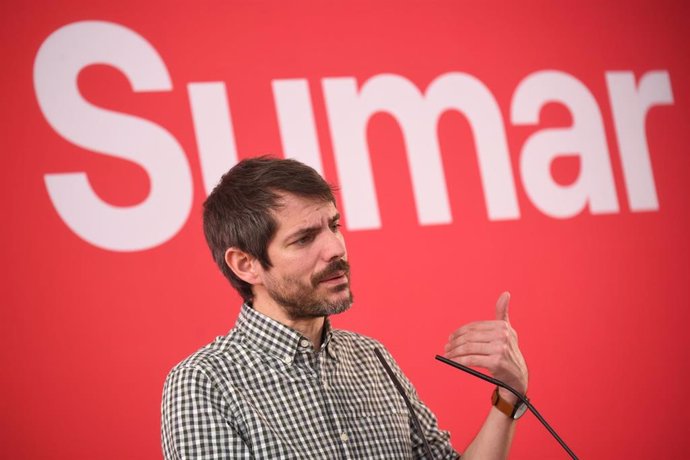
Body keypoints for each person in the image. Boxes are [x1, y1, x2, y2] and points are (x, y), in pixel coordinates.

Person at [161, 156, 528, 459]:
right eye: (304, 238)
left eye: (334, 226)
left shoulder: (371, 357)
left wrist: (508, 397)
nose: (335, 248)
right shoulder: (204, 382)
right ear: (246, 264)